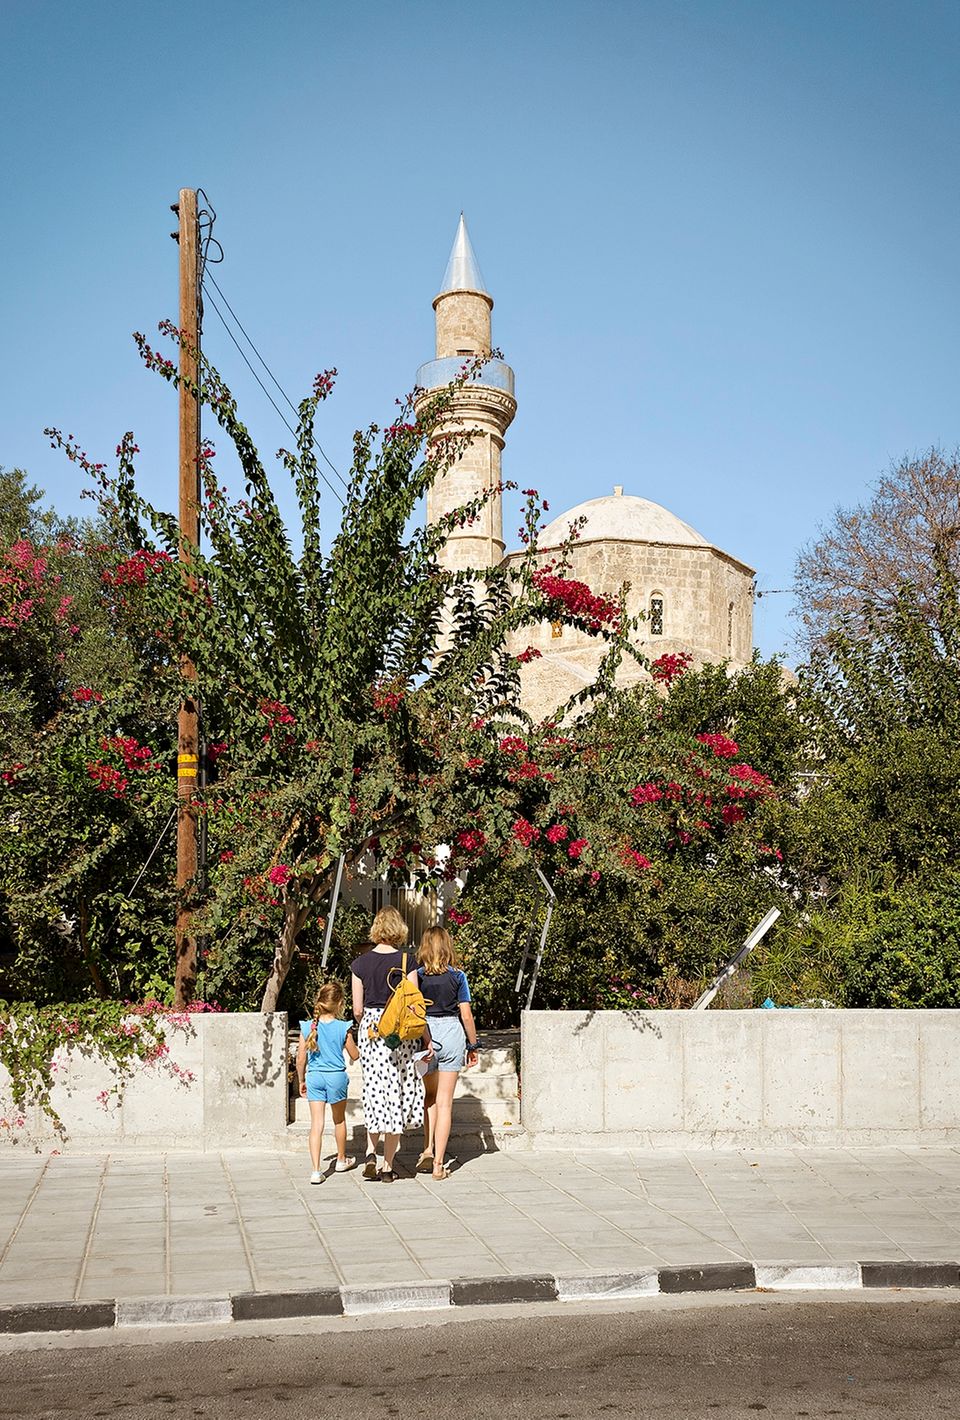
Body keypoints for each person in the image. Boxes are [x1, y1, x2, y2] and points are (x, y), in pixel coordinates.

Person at [350, 907, 430, 1182]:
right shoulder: (407, 961)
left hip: (372, 1032)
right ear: (399, 929)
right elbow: (414, 1005)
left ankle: (370, 1152)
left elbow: (357, 1009)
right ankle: (387, 1166)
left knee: (374, 1090)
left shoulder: (359, 964)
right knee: (396, 1091)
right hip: (399, 1034)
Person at [415, 925, 479, 1181]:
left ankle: (427, 1148)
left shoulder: (417, 976)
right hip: (452, 1033)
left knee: (429, 1096)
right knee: (445, 1102)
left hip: (427, 1034)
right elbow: (466, 1014)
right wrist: (473, 1046)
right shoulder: (458, 976)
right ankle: (439, 1165)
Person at [296, 981, 360, 1184]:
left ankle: (316, 1171)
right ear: (340, 1003)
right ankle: (341, 1159)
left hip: (315, 1077)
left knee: (317, 1124)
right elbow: (355, 1054)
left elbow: (300, 1059)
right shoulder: (344, 1027)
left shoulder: (307, 1027)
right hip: (336, 1077)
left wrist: (301, 1080)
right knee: (339, 1120)